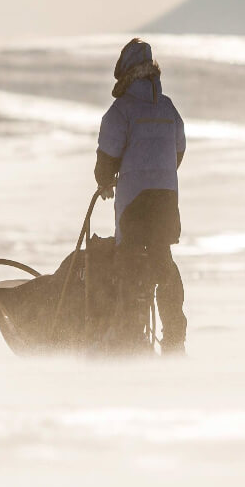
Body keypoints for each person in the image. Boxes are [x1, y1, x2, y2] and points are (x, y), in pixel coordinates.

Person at [94, 38, 187, 354]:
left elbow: (108, 155)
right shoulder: (168, 107)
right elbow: (179, 149)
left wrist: (105, 182)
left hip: (134, 203)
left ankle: (129, 341)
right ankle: (175, 341)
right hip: (164, 200)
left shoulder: (121, 111)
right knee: (163, 262)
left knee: (130, 267)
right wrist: (162, 175)